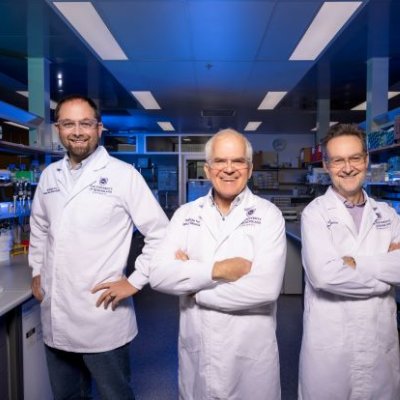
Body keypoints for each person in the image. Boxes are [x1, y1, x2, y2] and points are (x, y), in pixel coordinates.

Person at [29, 94, 169, 400]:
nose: (77, 131)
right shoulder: (49, 177)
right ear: (58, 129)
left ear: (99, 128)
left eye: (85, 123)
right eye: (68, 123)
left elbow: (161, 234)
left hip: (101, 315)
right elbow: (40, 227)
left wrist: (134, 281)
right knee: (66, 395)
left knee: (114, 395)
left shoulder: (123, 176)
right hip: (56, 312)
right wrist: (37, 270)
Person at [149, 128, 287, 400]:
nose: (229, 169)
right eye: (220, 161)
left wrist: (194, 288)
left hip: (249, 353)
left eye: (237, 161)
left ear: (249, 169)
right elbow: (158, 275)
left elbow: (265, 289)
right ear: (208, 168)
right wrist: (219, 270)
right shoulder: (186, 214)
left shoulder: (268, 216)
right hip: (200, 347)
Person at [298, 124, 400, 399]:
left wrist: (355, 263)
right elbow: (325, 276)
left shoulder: (387, 214)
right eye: (338, 160)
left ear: (366, 161)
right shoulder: (315, 214)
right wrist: (385, 274)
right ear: (327, 165)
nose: (348, 168)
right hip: (332, 345)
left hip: (379, 342)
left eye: (355, 158)